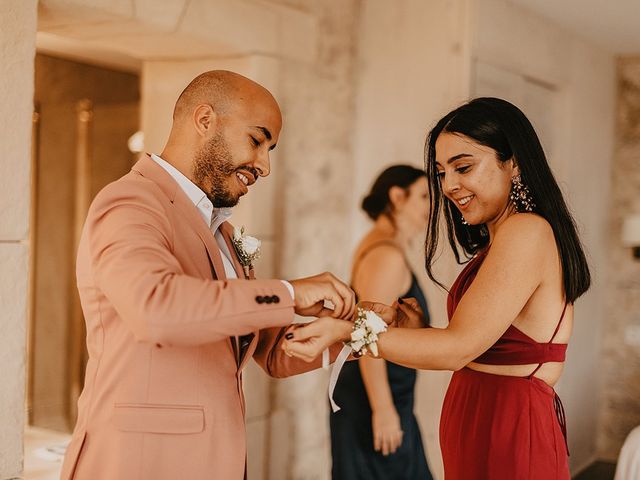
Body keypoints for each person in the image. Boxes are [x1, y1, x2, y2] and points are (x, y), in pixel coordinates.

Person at [60, 70, 356, 480]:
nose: (265, 166)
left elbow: (268, 352)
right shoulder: (130, 201)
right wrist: (290, 292)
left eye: (270, 149)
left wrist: (358, 333)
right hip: (141, 463)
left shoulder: (223, 231)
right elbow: (155, 308)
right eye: (257, 140)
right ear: (204, 121)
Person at [283, 97, 591, 480]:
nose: (448, 186)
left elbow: (457, 348)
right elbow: (474, 349)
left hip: (508, 426)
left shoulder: (526, 231)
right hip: (482, 417)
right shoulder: (501, 239)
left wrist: (349, 331)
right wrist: (417, 334)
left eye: (463, 167)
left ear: (513, 163)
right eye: (442, 173)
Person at [330, 165, 433, 479]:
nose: (431, 206)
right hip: (375, 397)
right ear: (397, 197)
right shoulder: (386, 255)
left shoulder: (383, 245)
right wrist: (384, 411)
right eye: (424, 196)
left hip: (386, 394)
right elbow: (366, 333)